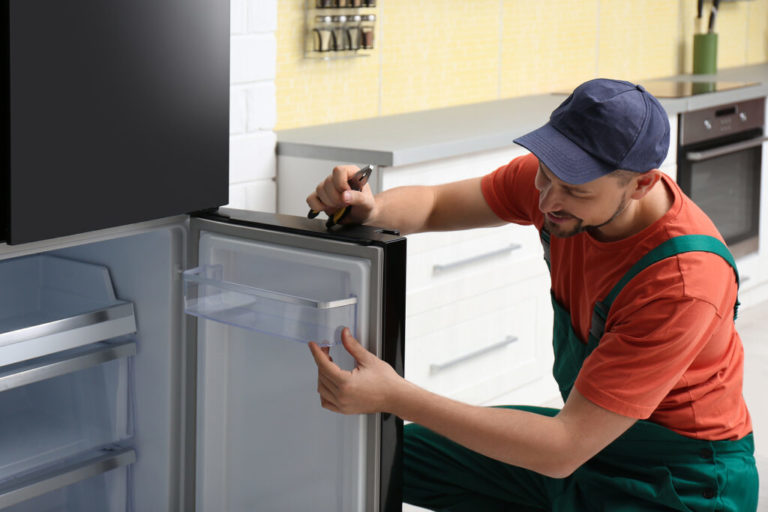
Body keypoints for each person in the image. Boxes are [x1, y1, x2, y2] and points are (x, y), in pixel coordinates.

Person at [306, 78, 759, 511]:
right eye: (545, 176)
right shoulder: (561, 182)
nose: (546, 202)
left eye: (575, 191)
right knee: (387, 459)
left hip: (679, 482)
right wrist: (373, 209)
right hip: (587, 439)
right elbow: (436, 204)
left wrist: (395, 395)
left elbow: (562, 449)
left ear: (641, 183)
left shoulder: (683, 283)